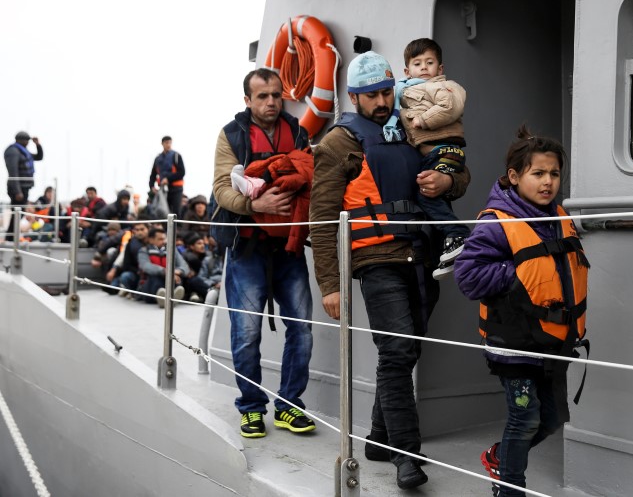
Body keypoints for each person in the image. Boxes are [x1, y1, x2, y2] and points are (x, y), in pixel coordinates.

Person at [309, 51, 470, 490]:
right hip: (376, 259)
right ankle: (405, 455)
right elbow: (322, 219)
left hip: (424, 253)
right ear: (354, 96)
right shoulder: (338, 143)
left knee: (408, 349)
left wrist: (447, 182)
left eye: (385, 91)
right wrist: (330, 284)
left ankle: (380, 439)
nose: (382, 102)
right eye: (372, 95)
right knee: (396, 350)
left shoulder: (412, 118)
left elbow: (457, 169)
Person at [453, 126, 589, 497]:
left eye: (554, 174)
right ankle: (510, 489)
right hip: (513, 343)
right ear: (514, 177)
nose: (548, 182)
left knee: (551, 419)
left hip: (550, 340)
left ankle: (500, 457)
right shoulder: (497, 222)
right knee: (524, 417)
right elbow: (467, 276)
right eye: (538, 174)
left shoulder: (557, 217)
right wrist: (520, 275)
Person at [212, 67, 315, 439]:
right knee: (245, 332)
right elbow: (223, 189)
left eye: (276, 95)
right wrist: (258, 205)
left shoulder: (299, 132)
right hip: (247, 248)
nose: (271, 102)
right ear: (248, 100)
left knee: (303, 328)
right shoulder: (231, 135)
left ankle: (289, 406)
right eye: (262, 96)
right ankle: (252, 408)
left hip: (288, 248)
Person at [383, 38, 470, 279]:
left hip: (445, 150)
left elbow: (451, 105)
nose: (423, 68)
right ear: (406, 70)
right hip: (431, 155)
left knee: (426, 194)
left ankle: (458, 233)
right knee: (435, 199)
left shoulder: (441, 86)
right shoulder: (405, 91)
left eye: (429, 63)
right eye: (417, 63)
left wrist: (424, 120)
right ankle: (449, 246)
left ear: (439, 69)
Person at [4, 131, 43, 240]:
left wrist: (38, 145)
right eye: (26, 140)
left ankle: (10, 236)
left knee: (19, 212)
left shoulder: (24, 151)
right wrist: (17, 191)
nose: (28, 142)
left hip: (24, 187)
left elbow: (39, 157)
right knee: (17, 212)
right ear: (20, 140)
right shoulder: (13, 151)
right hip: (17, 188)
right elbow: (13, 172)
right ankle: (10, 237)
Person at [136, 226, 187, 307]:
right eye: (160, 239)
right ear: (151, 240)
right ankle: (164, 298)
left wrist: (178, 271)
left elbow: (184, 266)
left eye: (164, 239)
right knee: (155, 277)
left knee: (179, 278)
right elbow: (146, 266)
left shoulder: (172, 250)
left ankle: (170, 297)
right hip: (149, 285)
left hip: (170, 280)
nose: (164, 241)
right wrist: (166, 272)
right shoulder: (144, 251)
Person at [148, 135, 185, 216]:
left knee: (176, 211)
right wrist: (151, 186)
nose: (168, 145)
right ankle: (164, 228)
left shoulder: (176, 156)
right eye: (166, 143)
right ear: (162, 144)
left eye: (170, 143)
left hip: (176, 189)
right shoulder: (158, 158)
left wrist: (168, 179)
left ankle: (177, 228)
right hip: (163, 190)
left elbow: (182, 172)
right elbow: (153, 174)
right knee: (163, 211)